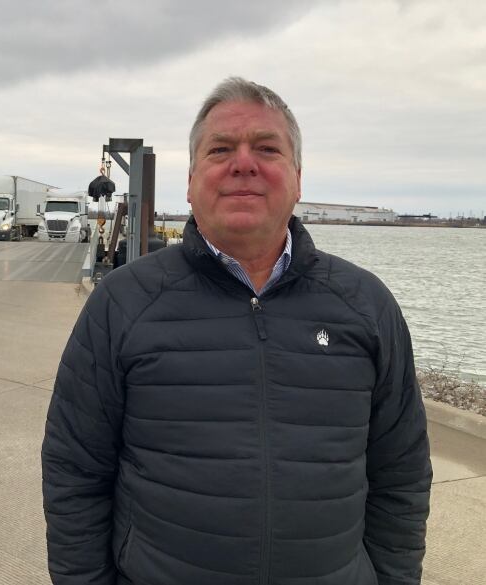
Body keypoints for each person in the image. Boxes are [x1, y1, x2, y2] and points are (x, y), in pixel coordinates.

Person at [41, 77, 432, 585]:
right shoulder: (123, 302)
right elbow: (74, 472)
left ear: (297, 177)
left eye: (267, 148)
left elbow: (401, 474)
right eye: (220, 148)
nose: (243, 163)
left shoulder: (365, 304)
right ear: (190, 181)